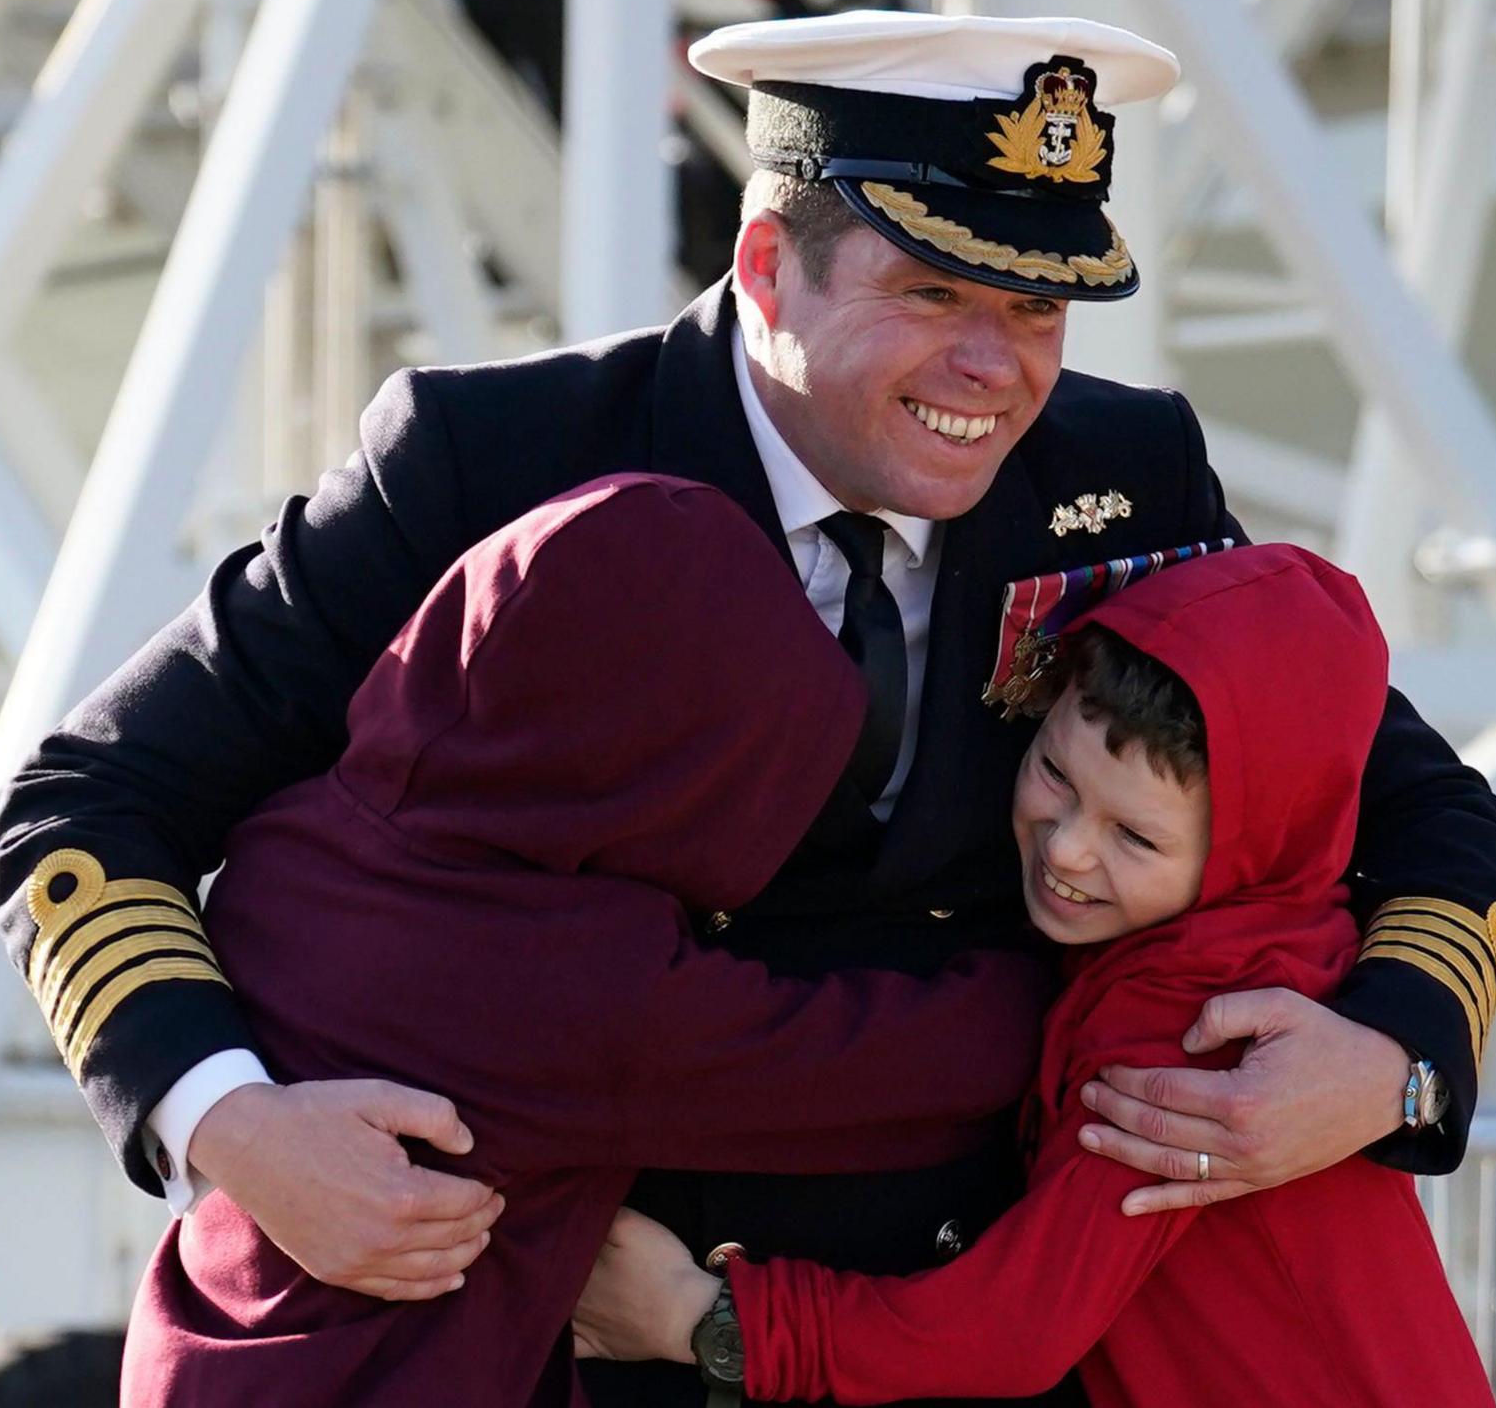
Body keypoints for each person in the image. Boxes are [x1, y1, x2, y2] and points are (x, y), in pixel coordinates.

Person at [0, 10, 1496, 1406]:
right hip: (583, 1336)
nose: (994, 369)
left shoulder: (1121, 478)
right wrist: (232, 1125)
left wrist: (1386, 1062)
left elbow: (1426, 813)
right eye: (934, 290)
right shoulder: (485, 464)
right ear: (767, 264)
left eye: (1045, 311)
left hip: (961, 1335)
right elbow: (87, 808)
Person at [123, 474, 1064, 1405]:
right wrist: (1093, 975)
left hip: (203, 1357)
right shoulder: (575, 988)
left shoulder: (299, 838)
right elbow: (905, 1064)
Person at [569, 543, 1496, 1406]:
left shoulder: (1193, 1031)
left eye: (1135, 835)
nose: (1068, 850)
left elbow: (1015, 1331)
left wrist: (710, 1319)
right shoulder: (1254, 942)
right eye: (1054, 770)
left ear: (1247, 851)